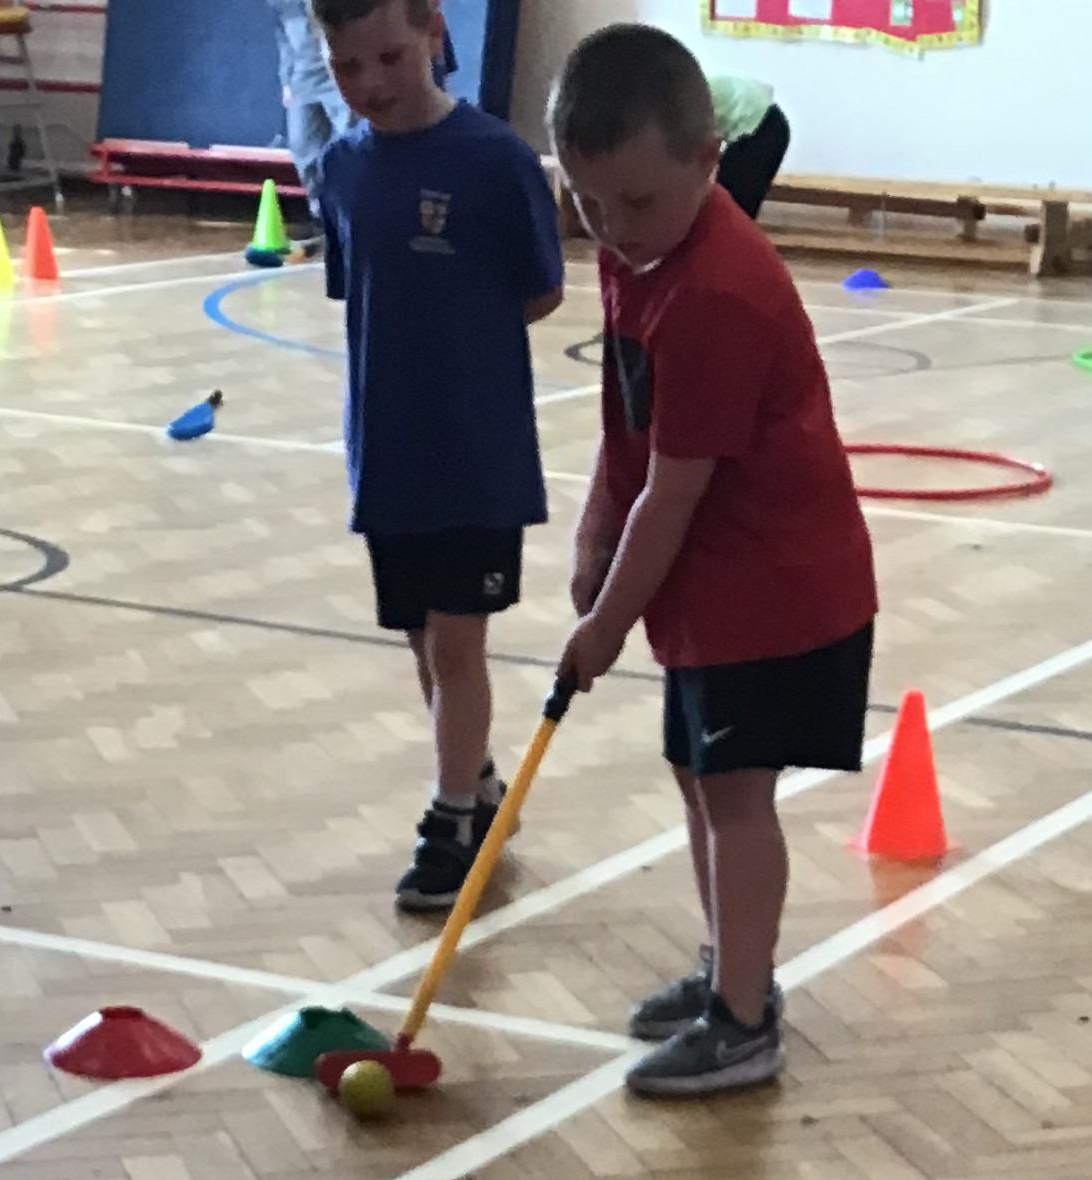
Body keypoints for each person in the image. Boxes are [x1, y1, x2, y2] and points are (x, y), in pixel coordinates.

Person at [552, 25, 877, 1098]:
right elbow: (628, 425)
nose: (611, 228)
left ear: (708, 160)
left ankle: (744, 1019)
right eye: (588, 203)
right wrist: (593, 535)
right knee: (701, 782)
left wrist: (603, 628)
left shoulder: (717, 293)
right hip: (707, 585)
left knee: (736, 797)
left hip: (775, 589)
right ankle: (728, 968)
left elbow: (675, 487)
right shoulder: (637, 250)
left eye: (636, 203)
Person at [312, 0, 564, 913]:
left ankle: (454, 819)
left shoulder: (495, 161)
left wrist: (465, 348)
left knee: (458, 642)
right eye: (348, 68)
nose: (371, 83)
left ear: (434, 33)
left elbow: (540, 290)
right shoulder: (340, 169)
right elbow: (358, 287)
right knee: (425, 639)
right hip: (388, 450)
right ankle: (481, 787)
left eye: (390, 56)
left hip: (476, 453)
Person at [265, 0, 345, 211]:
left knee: (349, 141)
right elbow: (283, 38)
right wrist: (286, 81)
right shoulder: (281, 4)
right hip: (303, 79)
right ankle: (319, 213)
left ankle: (349, 210)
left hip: (338, 74)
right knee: (302, 145)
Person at [708, 72, 789, 220]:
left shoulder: (683, 99)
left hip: (764, 127)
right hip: (766, 123)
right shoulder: (683, 89)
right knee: (725, 203)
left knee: (732, 205)